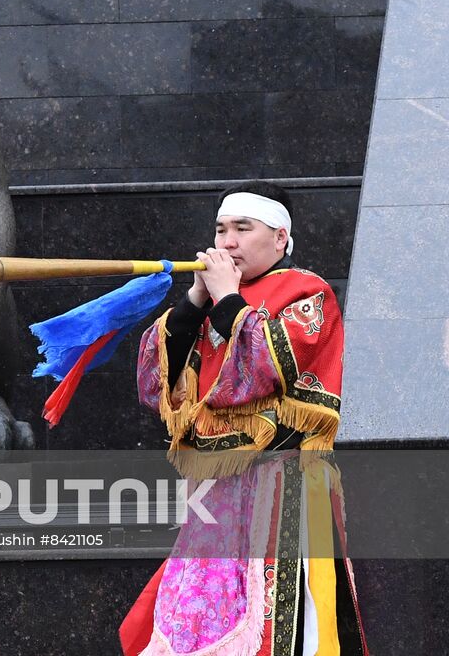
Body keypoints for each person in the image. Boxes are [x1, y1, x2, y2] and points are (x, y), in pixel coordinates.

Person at [120, 181, 370, 656]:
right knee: (193, 620)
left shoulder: (306, 292)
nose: (226, 242)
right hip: (216, 494)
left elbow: (266, 368)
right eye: (220, 229)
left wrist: (230, 298)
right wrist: (194, 303)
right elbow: (155, 384)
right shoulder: (211, 298)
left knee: (279, 625)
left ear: (280, 238)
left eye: (242, 228)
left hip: (282, 483)